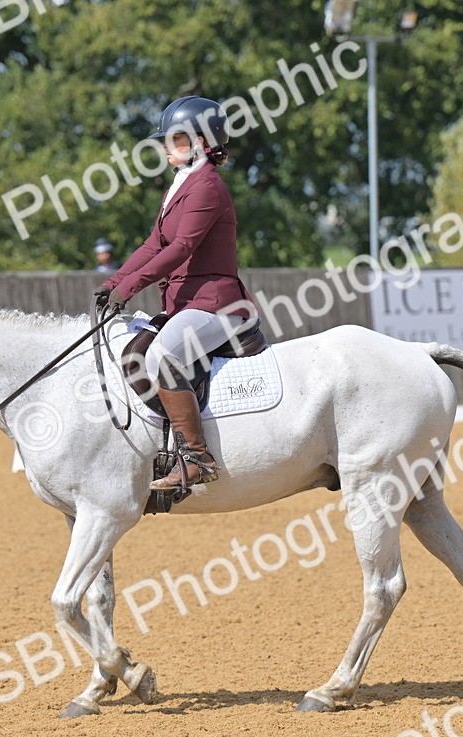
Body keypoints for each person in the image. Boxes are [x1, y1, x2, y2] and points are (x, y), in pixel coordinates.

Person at [93, 96, 258, 492]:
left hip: (217, 305)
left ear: (201, 141)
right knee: (134, 353)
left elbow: (181, 248)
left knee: (164, 355)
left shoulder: (208, 187)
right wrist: (115, 282)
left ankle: (197, 458)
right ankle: (165, 444)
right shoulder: (182, 183)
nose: (167, 146)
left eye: (176, 139)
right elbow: (154, 244)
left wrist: (131, 287)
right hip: (186, 304)